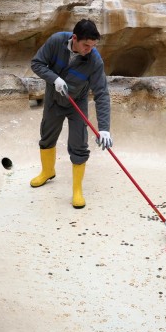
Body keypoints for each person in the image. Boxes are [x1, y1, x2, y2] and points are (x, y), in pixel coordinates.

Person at [30, 19, 112, 209]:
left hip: (77, 103)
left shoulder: (94, 60)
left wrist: (104, 129)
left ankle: (77, 190)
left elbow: (102, 94)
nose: (89, 50)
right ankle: (48, 172)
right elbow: (37, 63)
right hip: (54, 98)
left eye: (93, 46)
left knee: (78, 144)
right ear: (74, 38)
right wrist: (54, 78)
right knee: (47, 136)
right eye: (86, 45)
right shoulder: (56, 41)